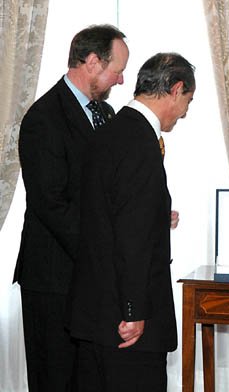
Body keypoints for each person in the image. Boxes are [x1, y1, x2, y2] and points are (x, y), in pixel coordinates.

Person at [67, 52, 195, 391]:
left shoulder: (111, 131)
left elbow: (106, 214)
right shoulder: (140, 143)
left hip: (95, 312)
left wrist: (155, 216)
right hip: (126, 324)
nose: (185, 112)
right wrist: (133, 310)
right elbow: (131, 237)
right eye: (188, 100)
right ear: (176, 89)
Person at [14, 24, 128, 392]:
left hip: (90, 282)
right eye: (117, 69)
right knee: (55, 380)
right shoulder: (43, 119)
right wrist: (103, 254)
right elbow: (52, 205)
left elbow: (107, 192)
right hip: (53, 280)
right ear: (93, 62)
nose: (122, 80)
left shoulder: (107, 116)